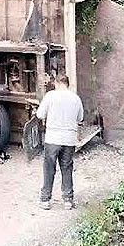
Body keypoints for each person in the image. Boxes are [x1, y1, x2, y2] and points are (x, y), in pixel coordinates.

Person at [36, 75, 84, 210]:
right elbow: (80, 118)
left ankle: (45, 200)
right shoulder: (75, 98)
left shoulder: (50, 96)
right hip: (69, 139)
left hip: (52, 139)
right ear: (68, 84)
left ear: (56, 83)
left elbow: (40, 115)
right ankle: (68, 201)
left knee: (49, 169)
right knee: (67, 168)